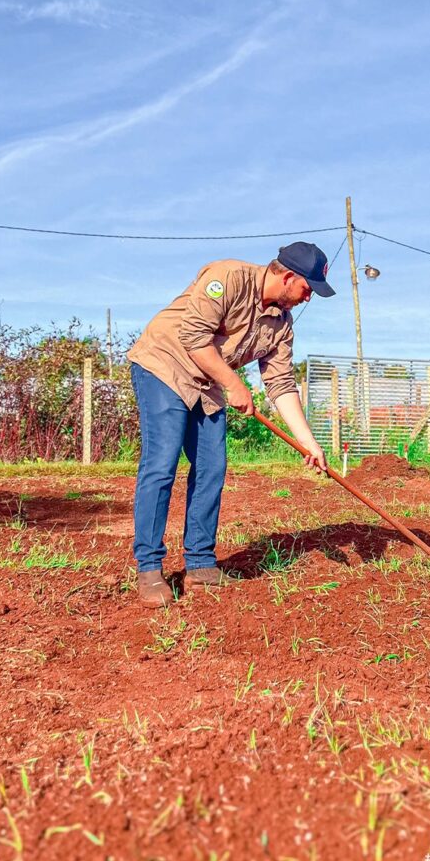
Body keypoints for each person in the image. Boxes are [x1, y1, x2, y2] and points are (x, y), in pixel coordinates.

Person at [127, 241, 335, 607]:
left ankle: (200, 564)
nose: (307, 299)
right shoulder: (227, 277)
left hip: (207, 381)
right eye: (307, 289)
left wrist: (309, 443)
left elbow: (281, 384)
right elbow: (193, 338)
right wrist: (235, 383)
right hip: (165, 365)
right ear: (287, 276)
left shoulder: (281, 326)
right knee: (162, 465)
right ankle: (149, 569)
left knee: (212, 467)